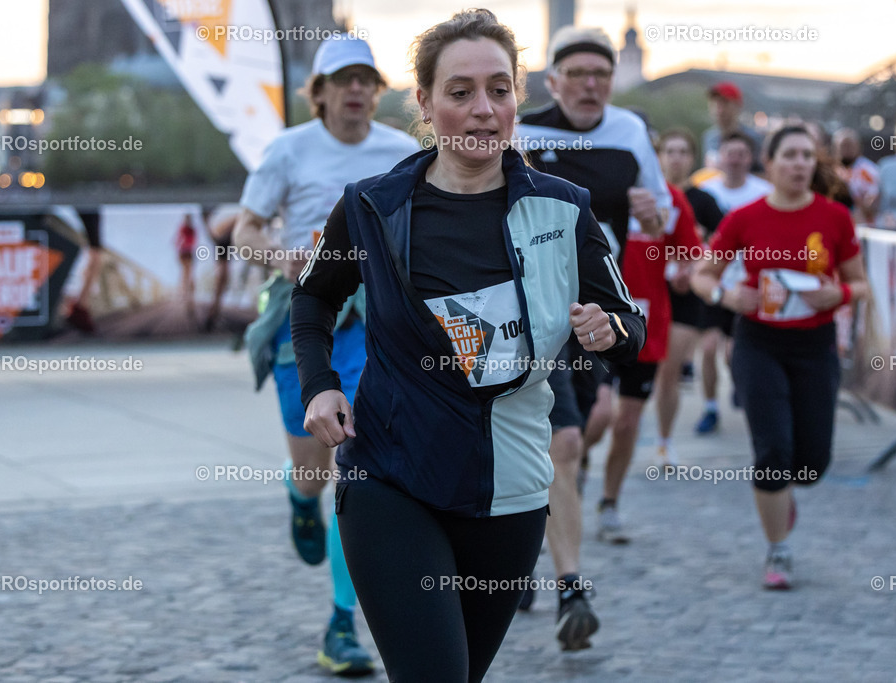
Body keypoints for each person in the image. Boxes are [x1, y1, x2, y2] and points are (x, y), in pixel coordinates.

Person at [291, 10, 646, 680]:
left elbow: (629, 324)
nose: (484, 109)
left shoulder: (564, 208)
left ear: (516, 98)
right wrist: (320, 384)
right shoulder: (371, 207)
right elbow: (311, 298)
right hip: (390, 479)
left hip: (510, 493)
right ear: (425, 102)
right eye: (460, 92)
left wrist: (611, 331)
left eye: (499, 90)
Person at [233, 35, 419, 676]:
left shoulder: (399, 151)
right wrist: (281, 256)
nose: (357, 90)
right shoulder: (288, 149)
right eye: (343, 80)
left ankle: (342, 623)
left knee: (353, 467)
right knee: (315, 469)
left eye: (366, 79)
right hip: (305, 317)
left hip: (374, 321)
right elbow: (244, 229)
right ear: (320, 92)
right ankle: (297, 492)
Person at [513, 24, 670, 645]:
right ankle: (570, 586)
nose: (589, 85)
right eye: (576, 74)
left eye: (601, 74)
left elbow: (658, 212)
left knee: (580, 433)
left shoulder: (630, 131)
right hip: (534, 312)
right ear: (553, 81)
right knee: (566, 440)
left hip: (600, 310)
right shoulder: (523, 133)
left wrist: (655, 216)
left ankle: (540, 531)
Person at [691, 125, 869, 589]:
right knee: (772, 451)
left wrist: (838, 294)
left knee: (811, 463)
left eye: (807, 155)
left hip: (815, 346)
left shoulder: (834, 217)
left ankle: (784, 494)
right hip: (758, 344)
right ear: (768, 164)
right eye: (789, 155)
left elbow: (860, 283)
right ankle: (778, 550)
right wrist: (729, 296)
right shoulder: (744, 218)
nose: (800, 163)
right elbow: (702, 277)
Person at [600, 182, 702, 519]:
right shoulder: (595, 185)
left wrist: (686, 271)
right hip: (592, 318)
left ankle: (609, 502)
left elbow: (691, 254)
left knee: (627, 422)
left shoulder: (670, 198)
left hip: (644, 324)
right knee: (598, 415)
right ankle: (575, 467)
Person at [653, 129, 724, 465]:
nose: (676, 158)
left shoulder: (704, 201)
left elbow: (725, 245)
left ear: (692, 158)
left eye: (683, 152)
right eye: (670, 151)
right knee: (641, 373)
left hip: (685, 297)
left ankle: (664, 442)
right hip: (646, 291)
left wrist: (696, 264)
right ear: (659, 156)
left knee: (668, 371)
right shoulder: (647, 195)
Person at [694, 131, 773, 434]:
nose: (735, 159)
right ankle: (710, 408)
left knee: (734, 352)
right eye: (730, 153)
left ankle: (741, 387)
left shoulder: (764, 192)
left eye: (741, 153)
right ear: (720, 157)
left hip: (749, 284)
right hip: (715, 279)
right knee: (708, 348)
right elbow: (693, 233)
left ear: (750, 158)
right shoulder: (705, 191)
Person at [701, 82, 763, 172]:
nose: (719, 110)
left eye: (725, 103)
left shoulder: (753, 138)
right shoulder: (709, 137)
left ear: (738, 106)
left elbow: (761, 173)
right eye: (715, 104)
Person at [832, 128, 880, 224]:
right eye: (843, 145)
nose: (846, 149)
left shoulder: (869, 170)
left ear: (858, 146)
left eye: (849, 145)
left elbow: (872, 204)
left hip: (862, 223)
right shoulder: (831, 171)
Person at [175, 214, 197, 319]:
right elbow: (193, 241)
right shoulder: (192, 229)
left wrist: (178, 248)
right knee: (188, 274)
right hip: (188, 252)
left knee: (185, 274)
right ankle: (187, 294)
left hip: (184, 252)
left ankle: (184, 293)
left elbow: (178, 240)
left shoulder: (183, 228)